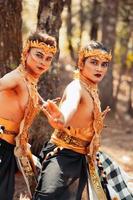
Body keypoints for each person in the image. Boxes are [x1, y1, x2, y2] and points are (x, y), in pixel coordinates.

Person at [33, 41, 133, 200]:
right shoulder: (76, 88)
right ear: (81, 63)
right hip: (63, 155)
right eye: (94, 62)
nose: (99, 68)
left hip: (86, 157)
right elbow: (69, 107)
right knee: (48, 196)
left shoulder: (91, 87)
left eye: (104, 64)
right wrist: (61, 119)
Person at [0, 31, 57, 200]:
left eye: (48, 58)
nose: (43, 62)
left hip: (10, 148)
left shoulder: (29, 81)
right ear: (26, 53)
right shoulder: (16, 78)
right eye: (39, 55)